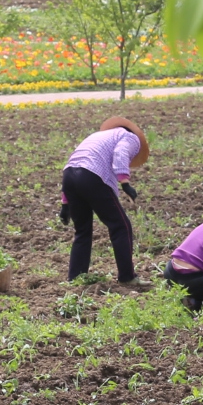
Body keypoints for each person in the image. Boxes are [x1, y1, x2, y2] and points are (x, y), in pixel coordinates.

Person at [61, 116, 150, 283]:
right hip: (92, 176)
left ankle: (75, 278)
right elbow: (121, 153)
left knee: (82, 230)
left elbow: (76, 162)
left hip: (69, 176)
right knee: (121, 226)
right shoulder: (130, 137)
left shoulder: (96, 136)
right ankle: (127, 277)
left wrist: (65, 203)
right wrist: (125, 183)